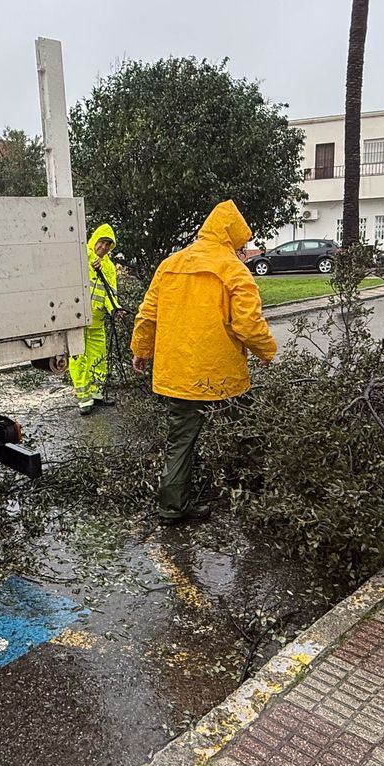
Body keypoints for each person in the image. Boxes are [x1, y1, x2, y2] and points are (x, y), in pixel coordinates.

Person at [130, 200, 277, 523]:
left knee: (180, 441)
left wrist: (142, 349)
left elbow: (148, 313)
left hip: (179, 374)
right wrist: (266, 352)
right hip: (222, 375)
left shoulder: (169, 265)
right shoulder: (234, 271)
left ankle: (172, 507)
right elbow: (248, 325)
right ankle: (257, 494)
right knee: (246, 431)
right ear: (233, 237)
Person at [70, 222, 119, 415]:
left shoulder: (110, 267)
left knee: (99, 358)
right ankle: (84, 400)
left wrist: (115, 309)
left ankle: (97, 394)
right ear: (95, 239)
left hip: (97, 321)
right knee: (79, 359)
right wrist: (89, 262)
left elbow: (111, 293)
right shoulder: (83, 254)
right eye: (102, 242)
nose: (104, 247)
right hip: (78, 320)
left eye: (108, 244)